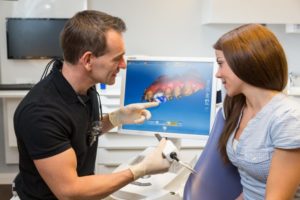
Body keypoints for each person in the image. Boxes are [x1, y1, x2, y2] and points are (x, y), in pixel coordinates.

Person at [12, 10, 171, 200]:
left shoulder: (84, 88)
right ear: (88, 60)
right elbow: (70, 191)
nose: (123, 65)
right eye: (116, 58)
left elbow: (81, 133)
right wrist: (140, 170)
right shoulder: (41, 113)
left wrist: (116, 118)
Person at [214, 23, 300, 199]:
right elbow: (249, 188)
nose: (218, 73)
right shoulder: (237, 107)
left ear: (244, 61)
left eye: (221, 64)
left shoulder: (288, 119)